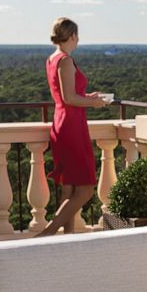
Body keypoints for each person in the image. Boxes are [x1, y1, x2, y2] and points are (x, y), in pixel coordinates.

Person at [37, 17, 108, 236]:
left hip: (62, 121)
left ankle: (66, 240)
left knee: (69, 188)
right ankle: (47, 233)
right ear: (73, 36)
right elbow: (69, 98)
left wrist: (88, 96)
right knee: (85, 190)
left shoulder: (52, 59)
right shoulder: (65, 60)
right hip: (71, 125)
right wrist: (94, 103)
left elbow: (66, 95)